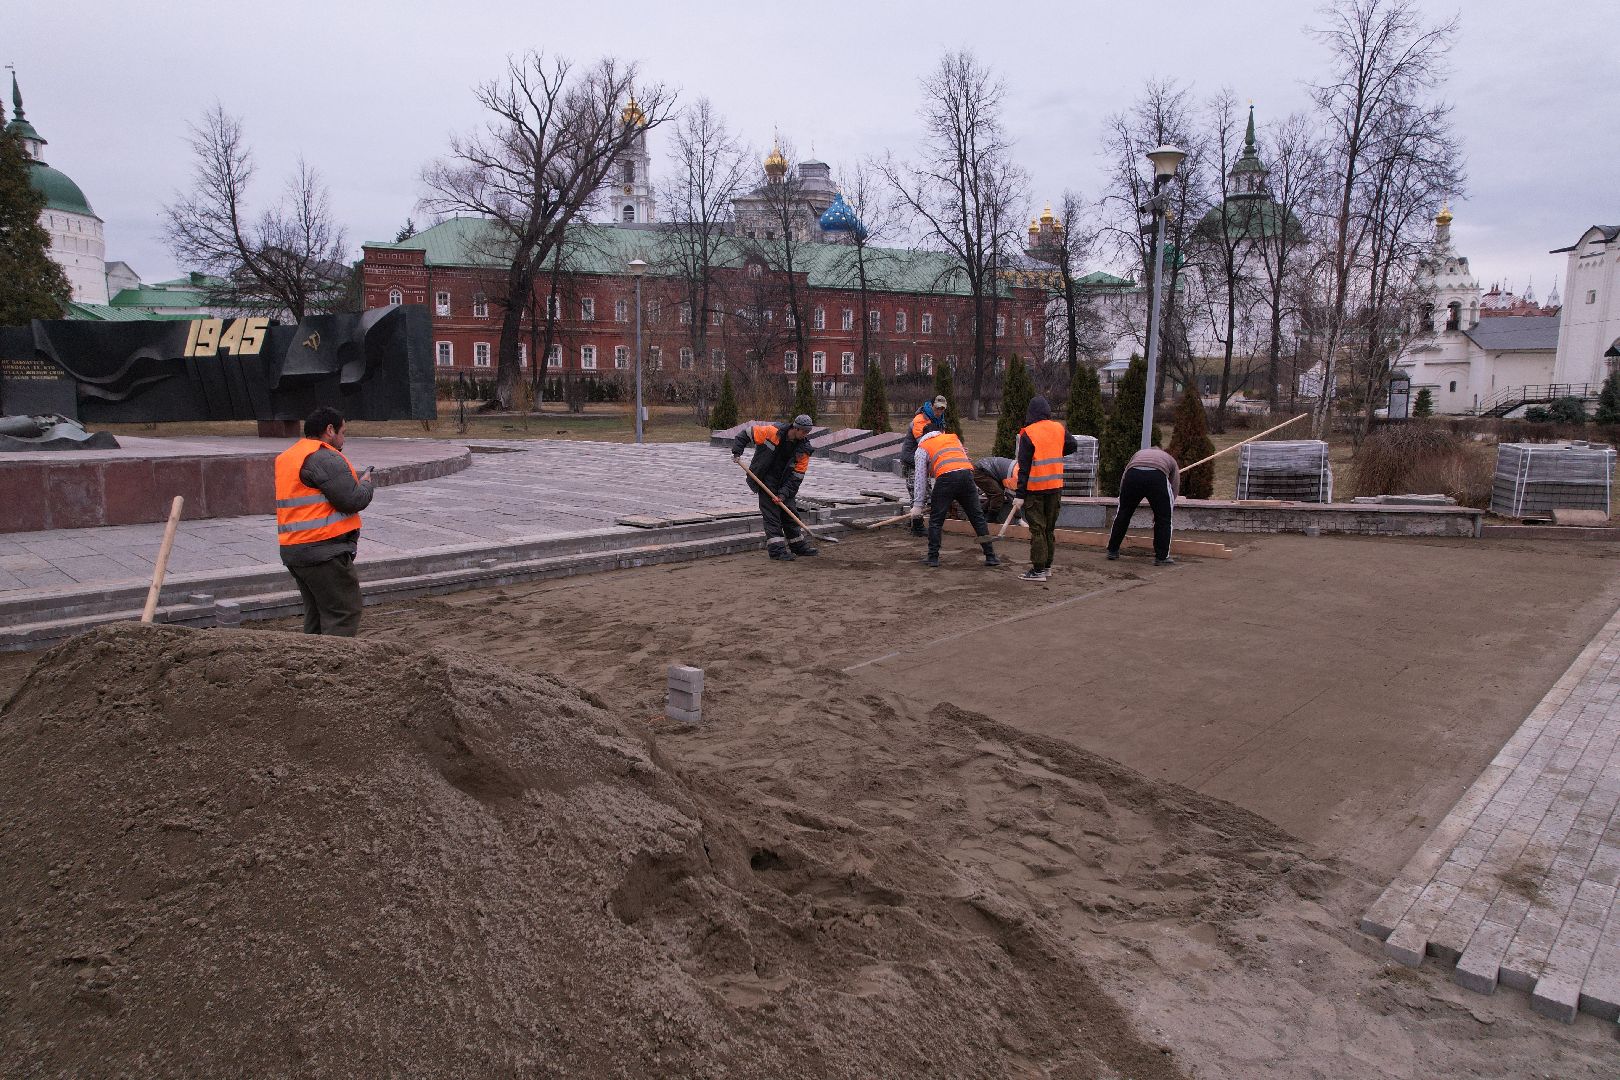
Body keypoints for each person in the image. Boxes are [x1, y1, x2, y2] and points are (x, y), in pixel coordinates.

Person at [274, 406, 375, 635]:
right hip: (323, 552)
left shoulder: (290, 456)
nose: (344, 439)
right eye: (343, 432)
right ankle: (334, 667)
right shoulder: (323, 456)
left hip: (296, 550)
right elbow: (352, 499)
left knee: (317, 614)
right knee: (343, 611)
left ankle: (312, 665)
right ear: (330, 430)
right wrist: (366, 484)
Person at [732, 414, 818, 561]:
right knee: (772, 517)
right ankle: (777, 551)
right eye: (804, 431)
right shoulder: (772, 432)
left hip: (785, 483)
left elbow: (797, 477)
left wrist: (783, 495)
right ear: (795, 428)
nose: (806, 435)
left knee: (790, 514)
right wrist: (737, 452)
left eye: (808, 432)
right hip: (765, 479)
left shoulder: (804, 449)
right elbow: (745, 434)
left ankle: (798, 546)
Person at [1012, 395, 1079, 582]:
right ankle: (1047, 567)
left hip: (1035, 490)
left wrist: (1019, 495)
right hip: (1055, 488)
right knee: (1049, 529)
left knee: (1038, 530)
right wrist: (1057, 451)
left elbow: (1023, 467)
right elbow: (1073, 445)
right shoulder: (1058, 428)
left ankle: (1038, 570)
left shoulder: (1029, 433)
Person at [911, 430, 1000, 568]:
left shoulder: (923, 447)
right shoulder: (953, 438)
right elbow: (964, 459)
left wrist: (917, 505)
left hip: (946, 479)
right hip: (967, 475)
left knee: (936, 520)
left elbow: (920, 478)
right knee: (977, 518)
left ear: (923, 436)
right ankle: (991, 556)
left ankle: (933, 557)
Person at [1106, 446, 1180, 566]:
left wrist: (1123, 498)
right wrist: (1165, 509)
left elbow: (1125, 476)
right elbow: (1174, 486)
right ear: (1161, 451)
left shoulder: (1138, 454)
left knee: (1123, 514)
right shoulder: (1169, 459)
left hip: (1133, 475)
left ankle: (1112, 550)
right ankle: (1162, 557)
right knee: (1164, 520)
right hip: (1157, 476)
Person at [900, 395, 948, 536]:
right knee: (917, 492)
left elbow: (941, 441)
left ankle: (912, 521)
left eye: (942, 409)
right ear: (931, 405)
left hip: (923, 461)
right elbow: (925, 443)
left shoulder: (940, 421)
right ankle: (917, 526)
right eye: (937, 408)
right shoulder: (920, 419)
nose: (939, 411)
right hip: (912, 459)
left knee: (926, 492)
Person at [972, 455, 1019, 522]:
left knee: (994, 496)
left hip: (990, 470)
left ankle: (979, 514)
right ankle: (991, 520)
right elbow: (1012, 497)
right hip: (981, 471)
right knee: (998, 495)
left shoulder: (1021, 469)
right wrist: (1018, 518)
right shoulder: (1014, 477)